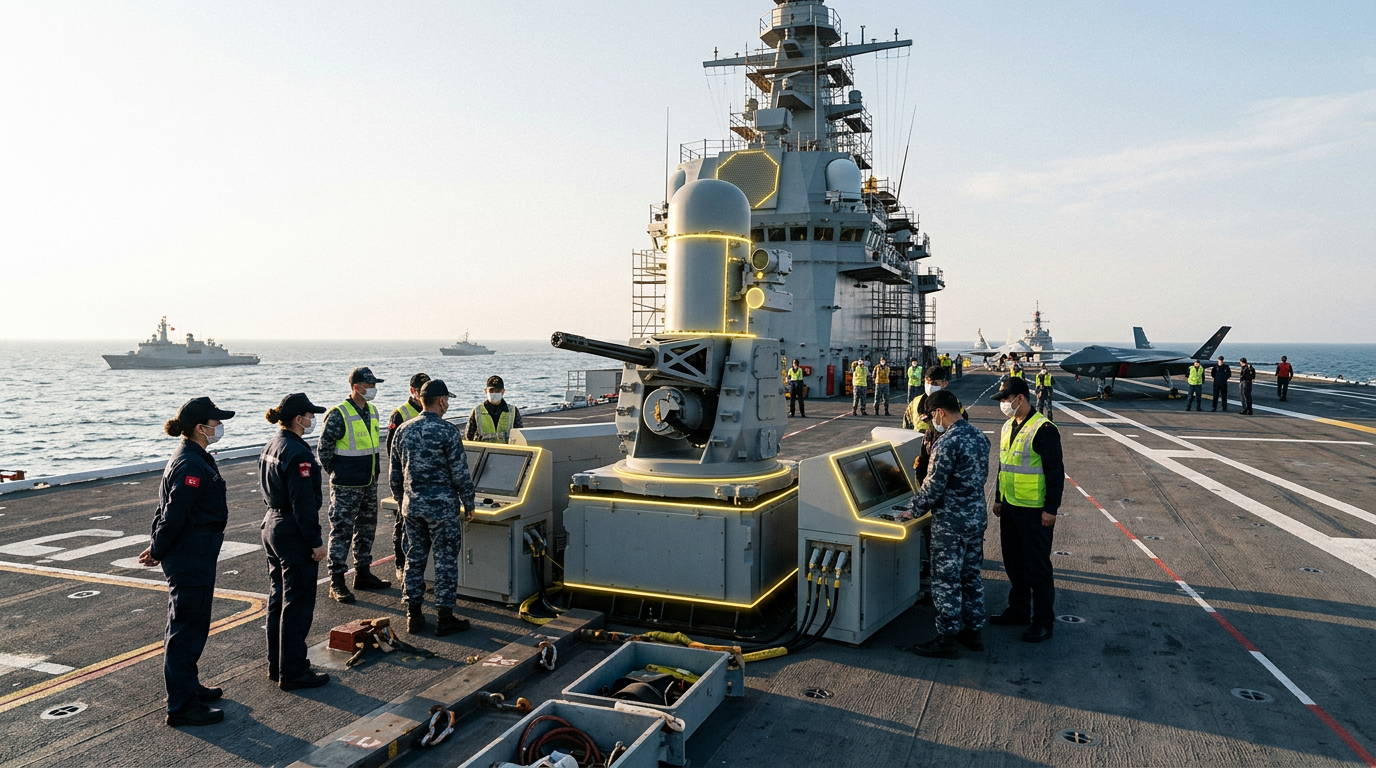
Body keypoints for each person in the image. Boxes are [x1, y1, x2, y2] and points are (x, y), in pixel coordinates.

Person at [137, 397, 234, 727]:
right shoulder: (191, 463)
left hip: (196, 552)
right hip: (190, 555)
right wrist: (157, 549)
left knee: (191, 626)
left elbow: (166, 508)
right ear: (200, 427)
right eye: (215, 422)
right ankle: (181, 706)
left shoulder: (193, 456)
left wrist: (158, 546)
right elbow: (173, 513)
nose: (219, 427)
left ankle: (189, 687)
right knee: (186, 630)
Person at [900, 389, 990, 658]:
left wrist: (912, 510)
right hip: (975, 518)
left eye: (932, 418)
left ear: (939, 412)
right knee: (971, 576)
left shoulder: (947, 442)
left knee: (946, 580)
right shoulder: (980, 437)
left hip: (951, 522)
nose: (932, 423)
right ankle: (974, 632)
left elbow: (933, 486)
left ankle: (947, 638)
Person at [390, 380, 476, 636]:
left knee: (414, 559)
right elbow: (459, 472)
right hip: (442, 509)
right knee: (445, 561)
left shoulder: (403, 430)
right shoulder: (447, 431)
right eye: (446, 400)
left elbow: (395, 474)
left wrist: (401, 501)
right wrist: (469, 502)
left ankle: (413, 615)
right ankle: (444, 618)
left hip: (412, 507)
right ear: (441, 401)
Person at [259, 393, 330, 691]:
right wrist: (315, 541)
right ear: (298, 419)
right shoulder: (298, 452)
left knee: (278, 600)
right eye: (310, 415)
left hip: (272, 524)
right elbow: (303, 502)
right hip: (292, 530)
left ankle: (277, 665)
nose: (312, 420)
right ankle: (293, 671)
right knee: (297, 605)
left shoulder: (272, 444)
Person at [988, 377, 1063, 644]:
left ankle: (1043, 622)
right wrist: (998, 497)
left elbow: (1055, 472)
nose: (1003, 404)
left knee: (1037, 569)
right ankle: (1019, 610)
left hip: (1034, 511)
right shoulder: (1008, 426)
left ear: (1020, 398)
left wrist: (1051, 508)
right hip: (1010, 506)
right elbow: (1004, 464)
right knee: (1014, 564)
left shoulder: (1044, 429)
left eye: (1006, 399)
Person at [318, 367, 390, 604]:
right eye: (370, 386)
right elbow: (324, 450)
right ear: (356, 387)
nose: (373, 389)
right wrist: (338, 472)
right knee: (342, 532)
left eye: (374, 385)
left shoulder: (372, 411)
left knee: (366, 529)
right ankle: (337, 581)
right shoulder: (339, 414)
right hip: (346, 485)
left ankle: (363, 573)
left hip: (368, 482)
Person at [387, 372, 430, 583]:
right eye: (420, 390)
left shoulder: (431, 409)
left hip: (428, 480)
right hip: (407, 481)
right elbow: (391, 450)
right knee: (402, 523)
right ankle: (400, 564)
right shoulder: (400, 414)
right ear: (413, 391)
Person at [466, 375, 524, 443]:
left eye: (498, 391)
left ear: (503, 391)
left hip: (506, 449)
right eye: (491, 390)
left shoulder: (513, 411)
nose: (494, 393)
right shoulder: (477, 411)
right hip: (484, 449)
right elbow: (469, 436)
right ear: (485, 391)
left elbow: (519, 435)